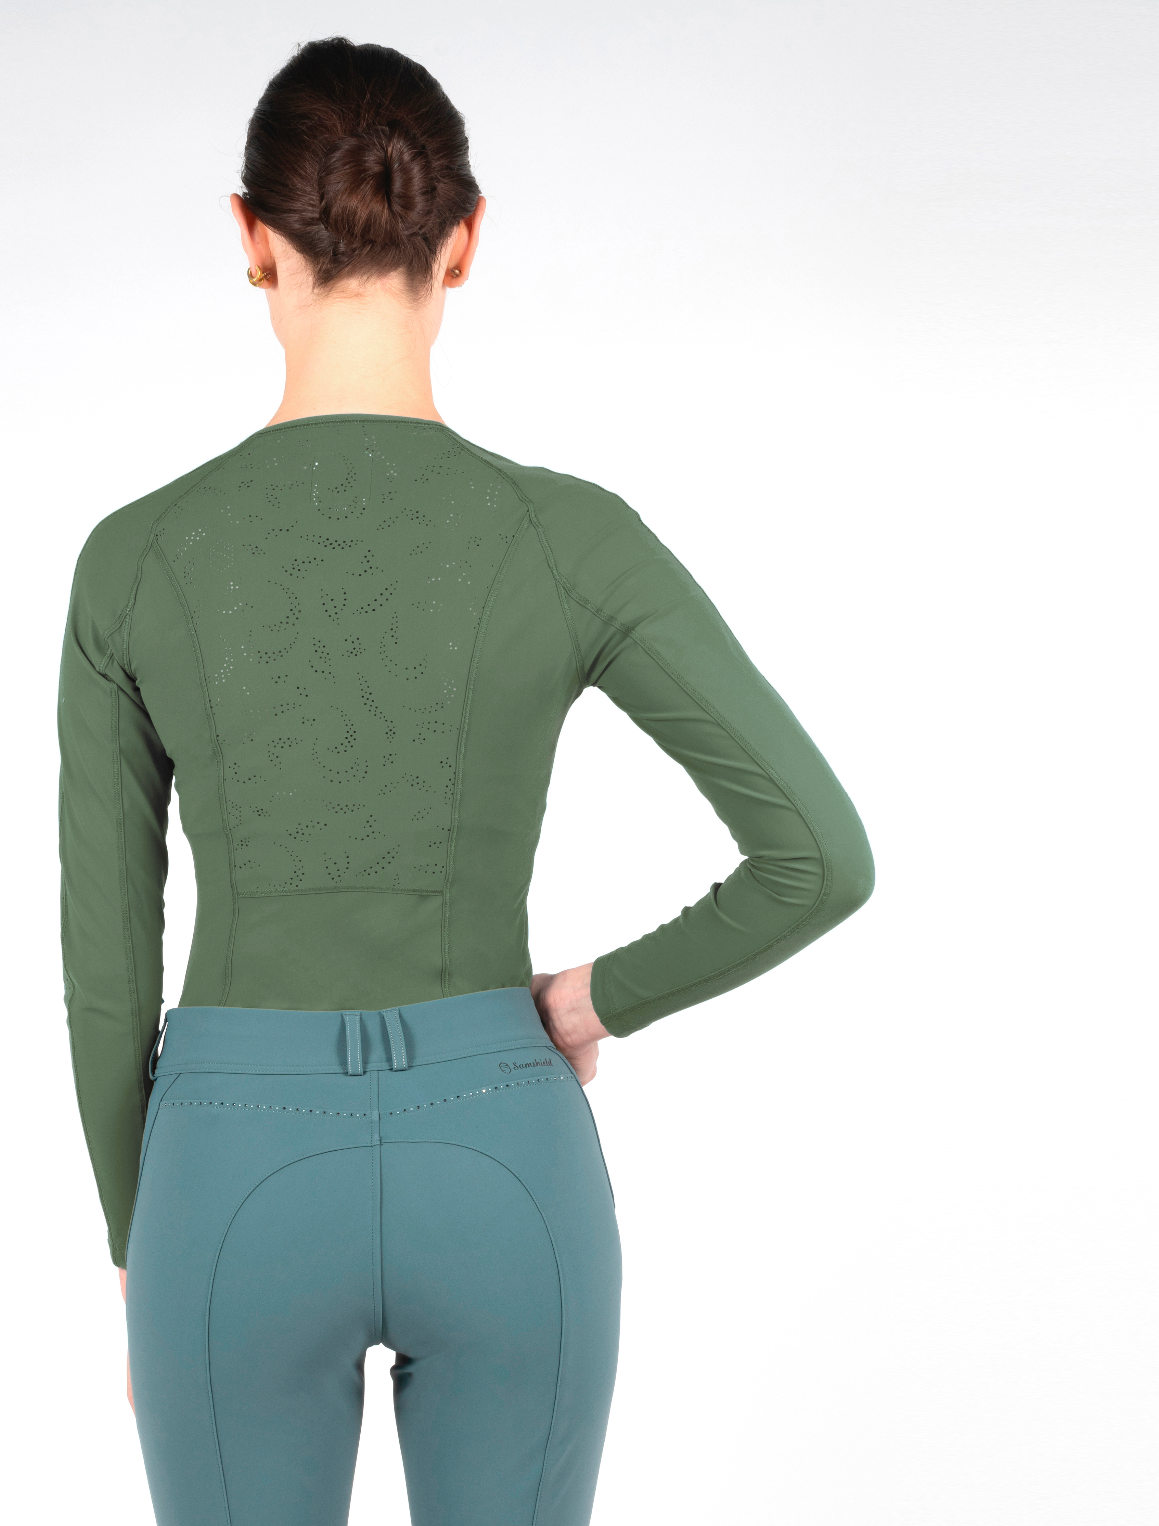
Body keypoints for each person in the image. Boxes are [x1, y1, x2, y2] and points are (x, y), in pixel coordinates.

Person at [57, 35, 873, 1526]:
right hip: (501, 1148)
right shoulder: (567, 538)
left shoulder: (137, 558)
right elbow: (819, 856)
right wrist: (590, 1000)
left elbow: (108, 975)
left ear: (251, 238)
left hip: (228, 1176)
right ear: (466, 239)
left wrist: (141, 1243)